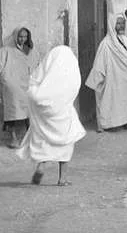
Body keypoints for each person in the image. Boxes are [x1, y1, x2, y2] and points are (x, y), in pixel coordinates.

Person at [16, 45, 86, 186]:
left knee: (43, 139)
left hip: (44, 111)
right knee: (66, 140)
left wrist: (39, 97)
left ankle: (41, 166)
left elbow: (33, 81)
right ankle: (62, 178)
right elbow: (75, 87)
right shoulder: (71, 69)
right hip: (63, 111)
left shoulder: (47, 65)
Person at [0, 27, 41, 148]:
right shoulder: (6, 50)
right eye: (20, 36)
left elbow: (39, 66)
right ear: (15, 37)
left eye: (25, 36)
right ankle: (13, 138)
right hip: (13, 86)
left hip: (28, 85)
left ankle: (31, 139)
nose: (22, 39)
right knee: (13, 111)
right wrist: (6, 79)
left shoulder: (32, 51)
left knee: (30, 111)